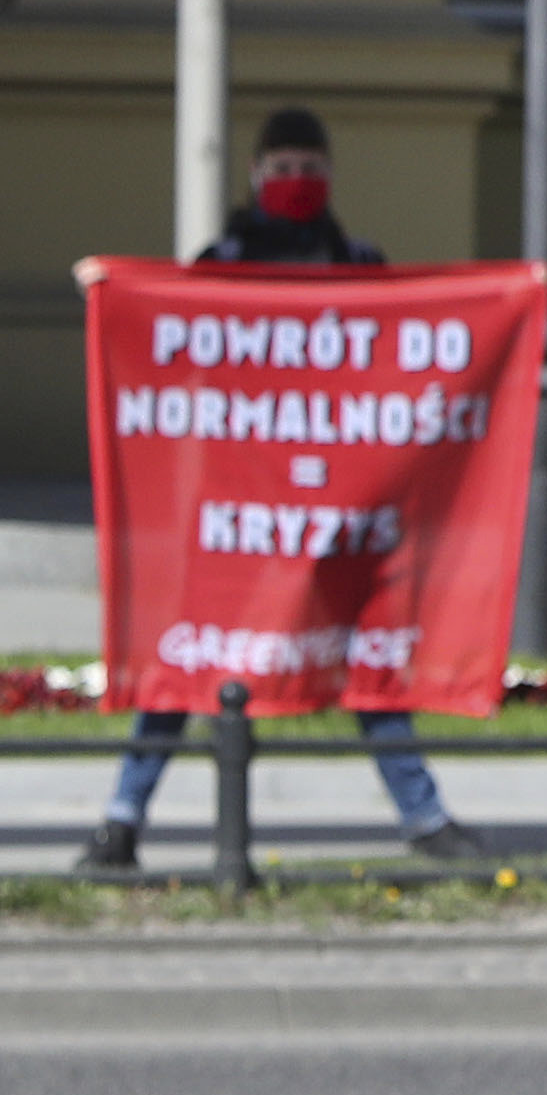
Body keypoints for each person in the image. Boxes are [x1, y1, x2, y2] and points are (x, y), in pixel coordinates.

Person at [76, 107, 485, 873]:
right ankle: (120, 821)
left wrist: (514, 298)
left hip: (332, 514)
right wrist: (110, 295)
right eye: (282, 169)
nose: (296, 183)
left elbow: (403, 355)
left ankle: (424, 819)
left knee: (365, 660)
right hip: (235, 517)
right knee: (185, 657)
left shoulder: (360, 263)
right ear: (255, 178)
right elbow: (168, 344)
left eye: (309, 168)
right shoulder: (220, 262)